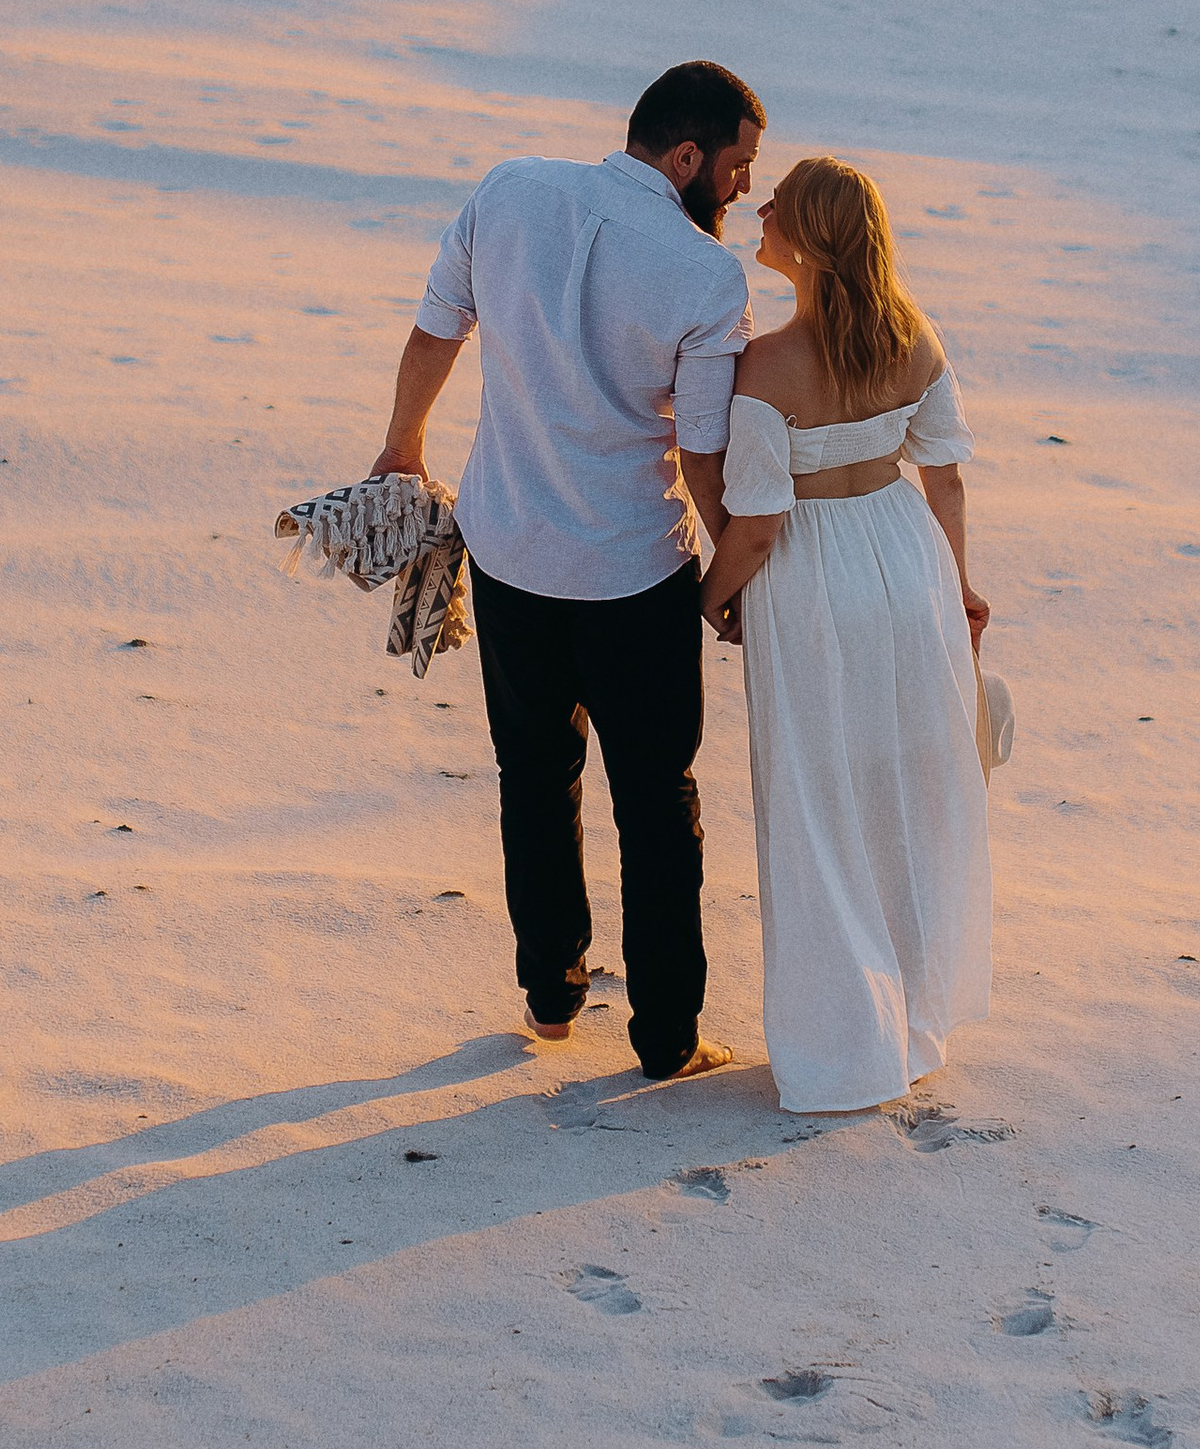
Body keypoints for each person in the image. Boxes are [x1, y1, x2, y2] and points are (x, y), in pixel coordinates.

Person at [367, 62, 765, 1079]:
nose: (741, 191)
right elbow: (705, 451)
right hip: (633, 571)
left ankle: (550, 998)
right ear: (685, 157)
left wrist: (402, 445)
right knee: (657, 801)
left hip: (510, 553)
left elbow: (436, 325)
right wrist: (730, 577)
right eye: (735, 169)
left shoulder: (510, 189)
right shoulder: (709, 279)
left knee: (533, 778)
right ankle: (666, 1039)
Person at [697, 156, 992, 1114]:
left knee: (817, 802)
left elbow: (760, 520)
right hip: (906, 568)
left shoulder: (767, 363)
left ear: (812, 239)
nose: (764, 206)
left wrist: (710, 599)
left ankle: (839, 1045)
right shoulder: (914, 338)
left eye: (781, 201)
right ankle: (907, 1024)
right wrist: (955, 586)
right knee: (895, 787)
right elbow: (943, 475)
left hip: (815, 586)